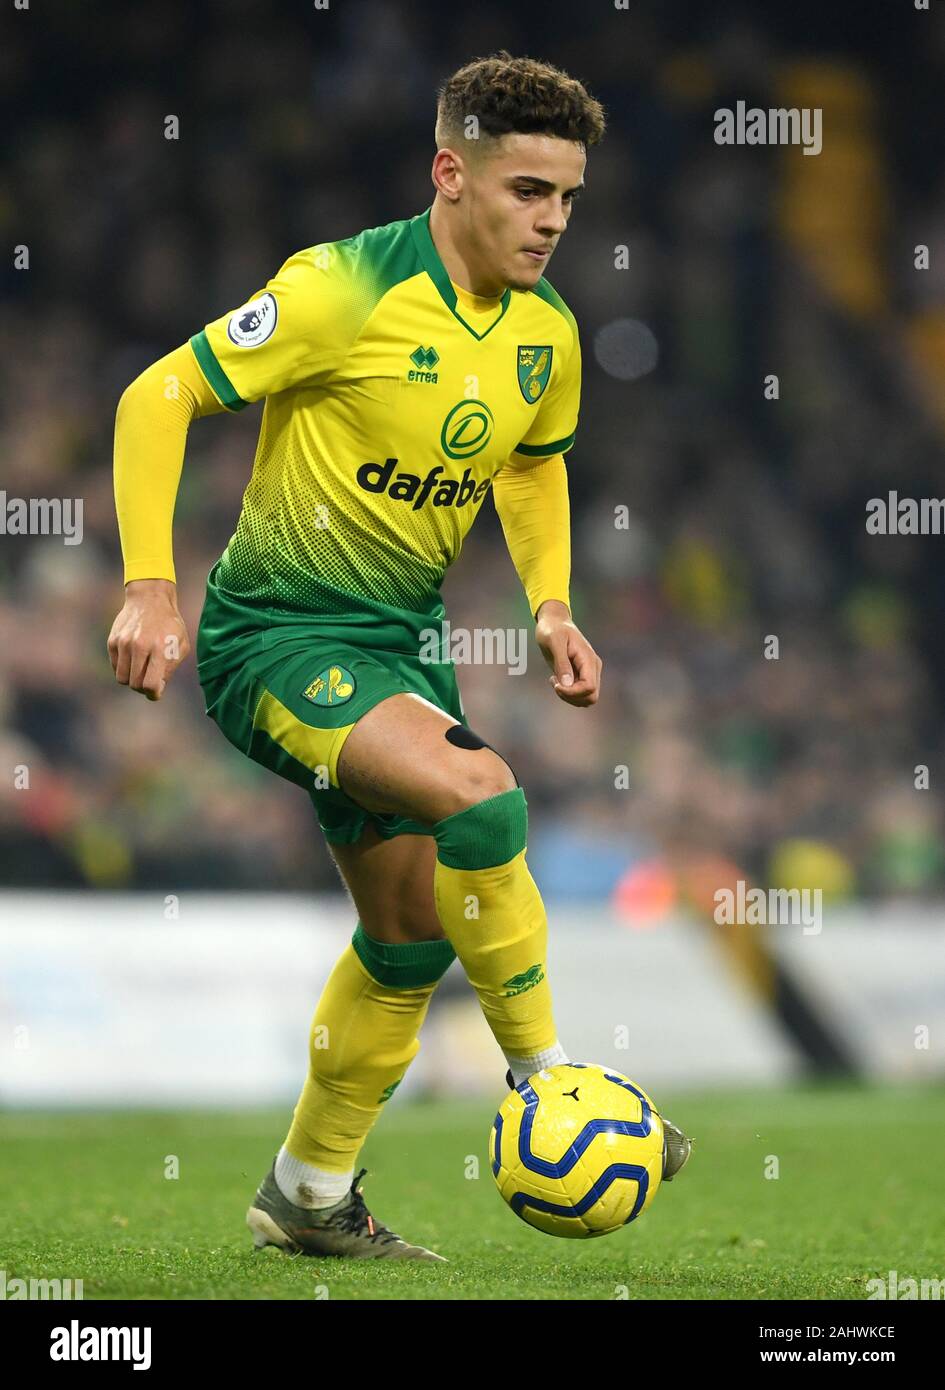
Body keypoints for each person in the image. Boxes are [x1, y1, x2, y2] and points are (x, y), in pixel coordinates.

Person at [109, 49, 690, 1261]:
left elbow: (530, 460)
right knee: (484, 793)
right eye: (528, 190)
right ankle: (551, 1082)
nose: (552, 222)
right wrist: (150, 584)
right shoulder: (342, 289)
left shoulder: (547, 333)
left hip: (404, 651)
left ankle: (308, 1194)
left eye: (569, 199)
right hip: (276, 638)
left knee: (413, 935)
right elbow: (156, 397)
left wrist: (551, 604)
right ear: (450, 173)